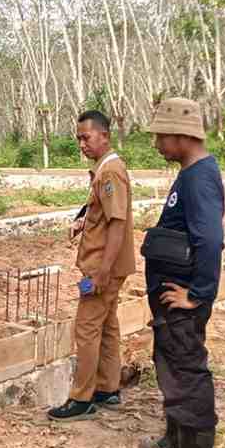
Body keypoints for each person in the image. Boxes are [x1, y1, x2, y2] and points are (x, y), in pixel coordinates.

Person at [136, 98, 225, 448]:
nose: (157, 145)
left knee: (186, 371)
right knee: (170, 365)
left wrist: (198, 294)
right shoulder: (190, 173)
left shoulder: (200, 177)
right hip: (169, 300)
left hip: (182, 302)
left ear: (181, 136)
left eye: (161, 137)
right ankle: (175, 439)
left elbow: (210, 240)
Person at [47, 110, 137, 421]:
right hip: (111, 265)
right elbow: (104, 215)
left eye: (86, 137)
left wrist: (102, 271)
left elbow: (116, 222)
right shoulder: (105, 169)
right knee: (107, 325)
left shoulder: (110, 172)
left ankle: (81, 398)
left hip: (103, 267)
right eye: (78, 139)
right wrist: (85, 222)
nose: (82, 144)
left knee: (85, 328)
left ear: (104, 136)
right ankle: (108, 388)